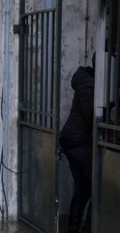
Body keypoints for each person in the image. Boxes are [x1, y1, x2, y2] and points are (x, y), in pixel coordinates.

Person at [59, 60, 95, 233]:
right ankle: (80, 226)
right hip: (77, 141)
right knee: (89, 186)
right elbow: (90, 115)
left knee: (83, 185)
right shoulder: (89, 84)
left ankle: (77, 225)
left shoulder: (87, 81)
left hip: (75, 140)